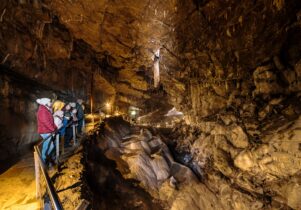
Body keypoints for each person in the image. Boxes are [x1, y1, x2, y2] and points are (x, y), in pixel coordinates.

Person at [36, 98, 57, 163]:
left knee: (51, 146)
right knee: (47, 145)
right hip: (45, 131)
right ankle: (43, 160)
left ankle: (45, 158)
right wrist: (53, 129)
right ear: (46, 103)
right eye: (49, 102)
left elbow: (51, 121)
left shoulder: (45, 109)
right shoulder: (42, 111)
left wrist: (55, 127)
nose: (51, 103)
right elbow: (46, 122)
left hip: (47, 130)